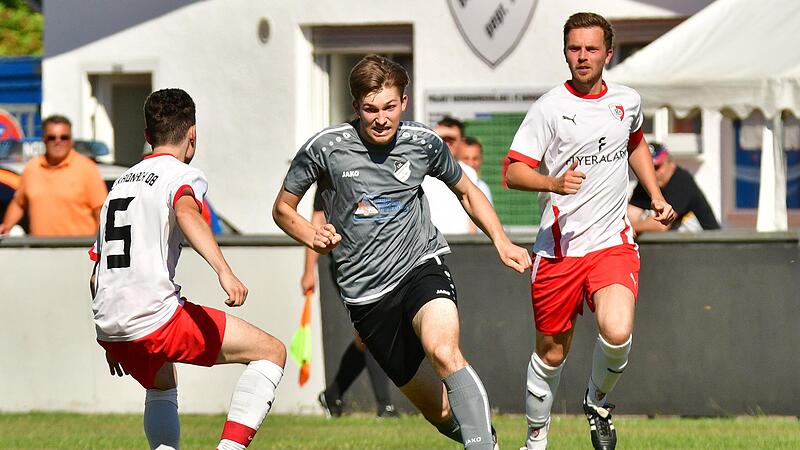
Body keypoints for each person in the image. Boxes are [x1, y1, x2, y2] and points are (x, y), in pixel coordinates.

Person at [274, 54, 531, 450]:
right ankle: (487, 441)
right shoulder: (325, 148)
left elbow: (466, 190)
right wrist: (312, 235)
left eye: (390, 107)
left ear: (404, 103)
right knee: (441, 412)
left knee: (443, 351)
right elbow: (282, 209)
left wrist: (501, 239)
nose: (381, 118)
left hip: (419, 267)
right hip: (366, 298)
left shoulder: (423, 142)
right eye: (371, 109)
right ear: (356, 107)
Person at [505, 13, 676, 450]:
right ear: (566, 51)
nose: (582, 57)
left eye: (591, 49)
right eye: (574, 48)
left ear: (608, 54)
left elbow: (635, 142)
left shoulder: (627, 100)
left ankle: (597, 403)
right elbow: (512, 171)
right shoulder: (549, 107)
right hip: (559, 250)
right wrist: (552, 183)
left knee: (617, 330)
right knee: (552, 355)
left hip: (611, 243)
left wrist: (654, 194)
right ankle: (535, 439)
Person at [89, 89, 285, 450]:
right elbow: (185, 211)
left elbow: (95, 273)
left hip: (109, 320)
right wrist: (224, 271)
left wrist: (112, 338)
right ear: (192, 134)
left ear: (148, 136)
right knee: (271, 352)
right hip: (153, 317)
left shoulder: (118, 185)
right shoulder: (181, 173)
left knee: (162, 378)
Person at [301, 189, 398, 418]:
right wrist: (308, 271)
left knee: (367, 334)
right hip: (348, 267)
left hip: (380, 262)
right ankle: (385, 407)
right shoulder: (331, 169)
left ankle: (333, 393)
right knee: (370, 330)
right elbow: (317, 222)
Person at [0, 115, 107, 236]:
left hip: (78, 249)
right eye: (52, 138)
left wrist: (102, 247)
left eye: (64, 137)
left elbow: (101, 212)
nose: (58, 142)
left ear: (71, 140)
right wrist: (6, 227)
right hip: (39, 251)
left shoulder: (87, 168)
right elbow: (18, 203)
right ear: (43, 140)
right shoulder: (32, 168)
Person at [628, 143, 720, 233]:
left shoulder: (681, 180)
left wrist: (630, 228)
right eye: (649, 168)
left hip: (707, 244)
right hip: (676, 246)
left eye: (657, 167)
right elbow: (630, 215)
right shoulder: (645, 183)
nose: (653, 173)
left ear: (671, 164)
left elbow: (662, 225)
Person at [422, 116, 480, 234]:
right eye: (442, 138)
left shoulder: (469, 172)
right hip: (429, 245)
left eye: (451, 139)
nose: (446, 143)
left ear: (461, 142)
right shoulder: (420, 169)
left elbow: (473, 211)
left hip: (461, 243)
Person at [459, 137, 493, 205]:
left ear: (481, 159)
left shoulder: (483, 188)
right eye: (466, 158)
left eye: (475, 159)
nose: (471, 163)